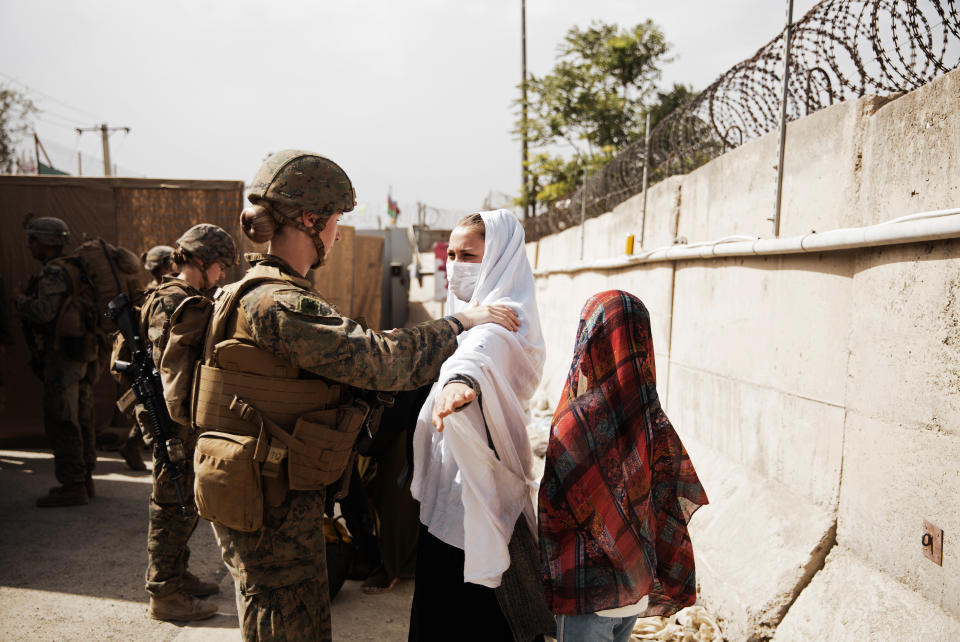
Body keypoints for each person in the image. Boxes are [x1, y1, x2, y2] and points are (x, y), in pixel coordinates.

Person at [187, 149, 519, 641]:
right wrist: (460, 322)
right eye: (336, 220)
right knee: (287, 626)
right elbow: (379, 361)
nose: (338, 233)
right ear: (310, 219)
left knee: (271, 616)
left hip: (257, 485)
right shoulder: (278, 301)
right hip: (270, 500)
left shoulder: (252, 289)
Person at [409, 210, 555, 642]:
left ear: (498, 259)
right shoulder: (473, 315)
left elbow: (479, 356)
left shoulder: (503, 321)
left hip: (472, 493)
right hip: (451, 486)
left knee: (468, 613)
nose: (455, 265)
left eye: (468, 256)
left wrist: (458, 383)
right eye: (451, 254)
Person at [537, 290, 709, 642]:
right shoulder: (652, 418)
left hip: (589, 597)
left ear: (592, 339)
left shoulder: (577, 420)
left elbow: (557, 513)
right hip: (635, 591)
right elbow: (667, 504)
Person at [133, 225, 237, 622]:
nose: (223, 275)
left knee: (184, 503)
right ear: (199, 262)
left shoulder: (178, 296)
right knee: (171, 505)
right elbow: (169, 370)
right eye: (219, 266)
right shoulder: (174, 301)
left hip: (177, 419)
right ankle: (164, 593)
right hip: (173, 423)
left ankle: (177, 575)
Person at [15, 216, 98, 507]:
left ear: (44, 242)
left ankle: (73, 484)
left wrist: (19, 301)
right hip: (84, 352)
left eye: (33, 240)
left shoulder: (53, 272)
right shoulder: (77, 268)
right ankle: (86, 477)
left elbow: (44, 313)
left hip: (63, 356)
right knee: (83, 417)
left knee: (62, 418)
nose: (30, 246)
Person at [118, 244, 177, 471]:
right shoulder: (162, 293)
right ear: (163, 266)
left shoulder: (150, 291)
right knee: (154, 409)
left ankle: (132, 445)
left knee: (150, 407)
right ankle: (134, 446)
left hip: (152, 359)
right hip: (156, 359)